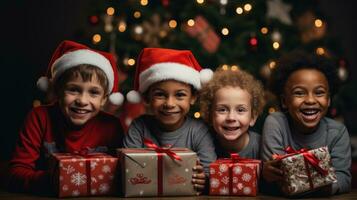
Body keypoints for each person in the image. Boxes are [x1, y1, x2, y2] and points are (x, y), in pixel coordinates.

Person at [7, 40, 125, 195]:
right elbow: (16, 173)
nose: (82, 101)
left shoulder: (112, 126)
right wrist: (60, 181)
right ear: (57, 91)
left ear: (104, 99)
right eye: (73, 90)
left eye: (94, 92)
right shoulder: (39, 118)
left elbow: (122, 176)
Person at [124, 48, 216, 194]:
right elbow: (128, 170)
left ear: (193, 97)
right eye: (160, 95)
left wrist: (203, 178)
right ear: (147, 98)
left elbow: (209, 172)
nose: (169, 104)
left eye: (180, 95)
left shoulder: (199, 131)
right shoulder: (139, 127)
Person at [261, 50, 351, 195]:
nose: (310, 100)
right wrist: (267, 173)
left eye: (319, 92)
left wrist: (315, 184)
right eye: (299, 93)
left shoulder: (338, 132)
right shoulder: (276, 124)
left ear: (328, 100)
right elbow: (276, 181)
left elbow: (344, 179)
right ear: (284, 101)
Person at [199, 68, 265, 159]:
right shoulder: (202, 144)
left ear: (253, 117)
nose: (231, 117)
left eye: (240, 110)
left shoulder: (262, 146)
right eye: (222, 110)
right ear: (209, 115)